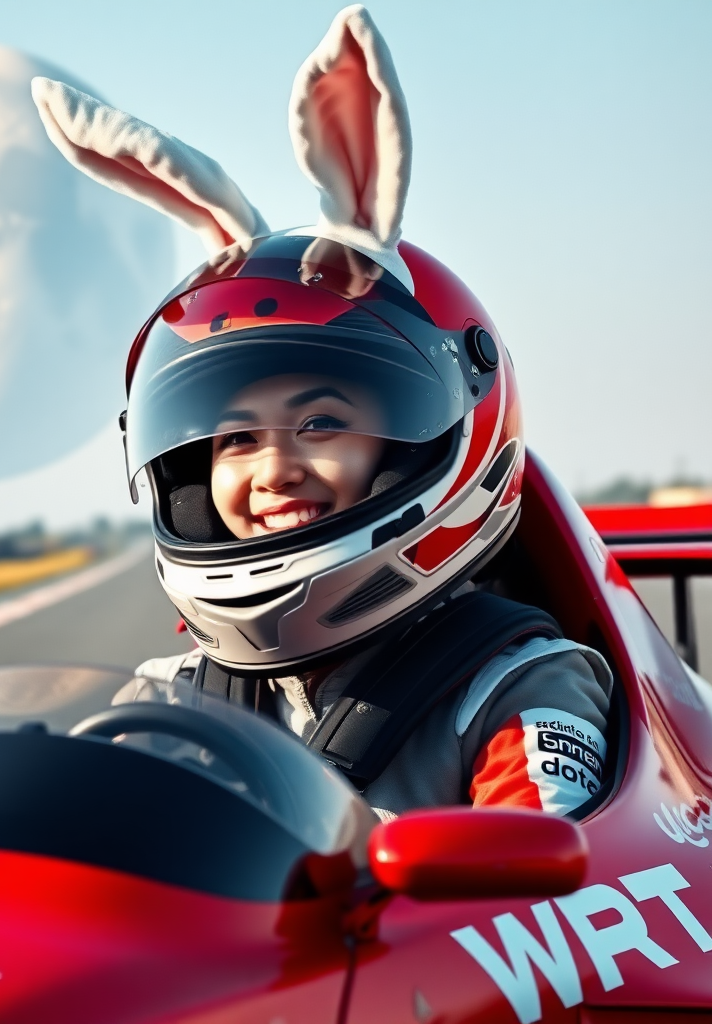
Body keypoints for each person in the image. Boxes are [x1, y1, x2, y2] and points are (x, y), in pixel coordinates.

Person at [31, 5, 612, 822]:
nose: (274, 468)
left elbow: (540, 874)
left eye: (321, 422)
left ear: (436, 431)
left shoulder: (518, 682)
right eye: (234, 437)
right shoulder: (170, 700)